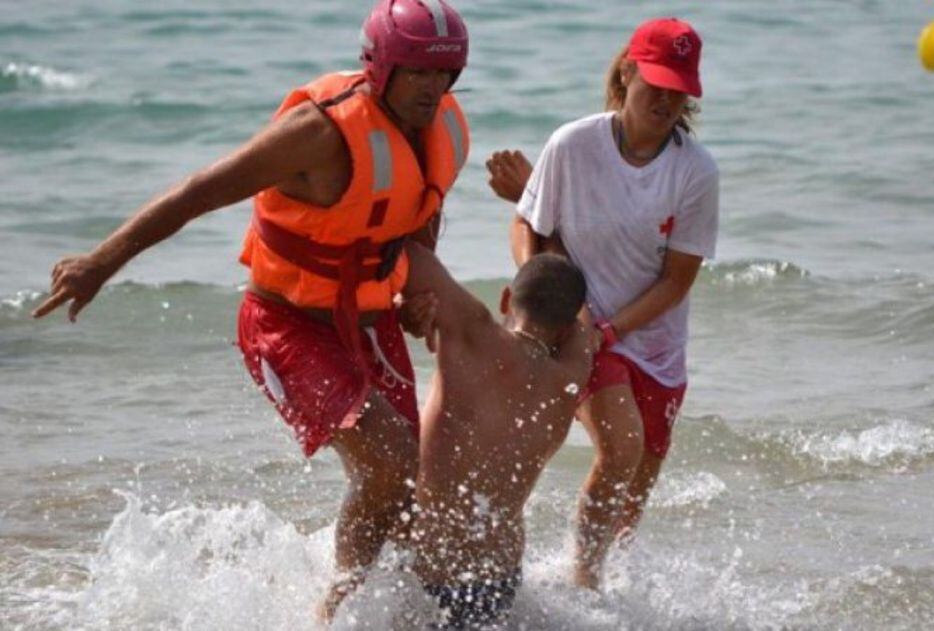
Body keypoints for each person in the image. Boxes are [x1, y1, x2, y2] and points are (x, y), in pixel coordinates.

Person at [32, 0, 471, 620]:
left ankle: (396, 613)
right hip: (287, 327)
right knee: (391, 459)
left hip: (369, 323)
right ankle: (335, 612)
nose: (434, 87)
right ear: (382, 66)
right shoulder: (318, 134)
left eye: (445, 72)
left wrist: (408, 299)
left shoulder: (445, 128)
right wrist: (101, 262)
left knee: (407, 490)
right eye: (419, 72)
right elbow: (199, 191)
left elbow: (417, 212)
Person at [486, 17, 720, 590]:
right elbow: (527, 224)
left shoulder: (695, 172)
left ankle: (611, 588)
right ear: (627, 72)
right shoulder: (573, 143)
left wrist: (612, 331)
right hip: (579, 328)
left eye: (678, 89)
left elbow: (675, 282)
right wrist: (551, 300)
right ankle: (584, 585)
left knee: (636, 485)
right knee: (621, 447)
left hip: (652, 340)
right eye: (655, 84)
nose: (666, 100)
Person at [400, 242, 594, 628]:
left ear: (506, 298)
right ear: (567, 327)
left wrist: (405, 310)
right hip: (498, 579)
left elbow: (411, 255)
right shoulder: (572, 374)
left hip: (430, 569)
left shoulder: (474, 334)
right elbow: (588, 333)